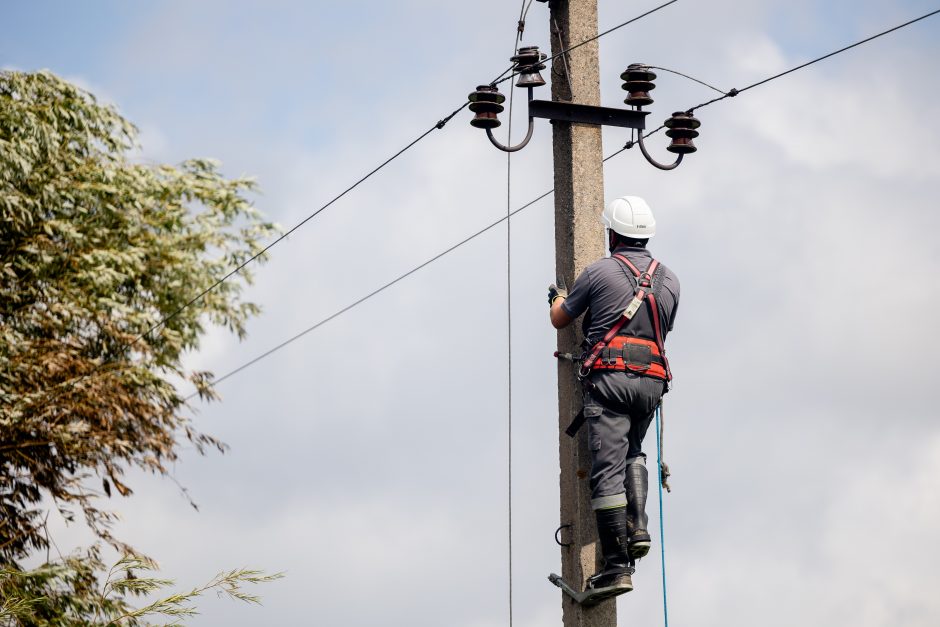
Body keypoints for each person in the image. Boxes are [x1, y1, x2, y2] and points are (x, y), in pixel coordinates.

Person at [547, 196, 680, 596]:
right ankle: (637, 527)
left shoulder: (600, 271)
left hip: (610, 382)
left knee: (606, 471)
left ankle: (617, 565)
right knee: (633, 452)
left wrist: (556, 296)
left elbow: (560, 318)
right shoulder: (670, 279)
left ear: (613, 235)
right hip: (652, 384)